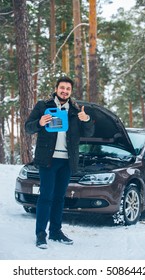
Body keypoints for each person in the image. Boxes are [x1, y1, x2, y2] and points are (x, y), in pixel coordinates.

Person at [25, 76, 94, 249]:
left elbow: (89, 132)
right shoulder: (43, 105)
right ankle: (41, 234)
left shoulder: (76, 109)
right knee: (46, 196)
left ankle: (56, 231)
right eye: (62, 88)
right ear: (56, 89)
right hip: (48, 160)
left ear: (71, 92)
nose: (65, 91)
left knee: (59, 198)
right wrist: (40, 122)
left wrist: (86, 119)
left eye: (68, 89)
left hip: (66, 161)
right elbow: (28, 127)